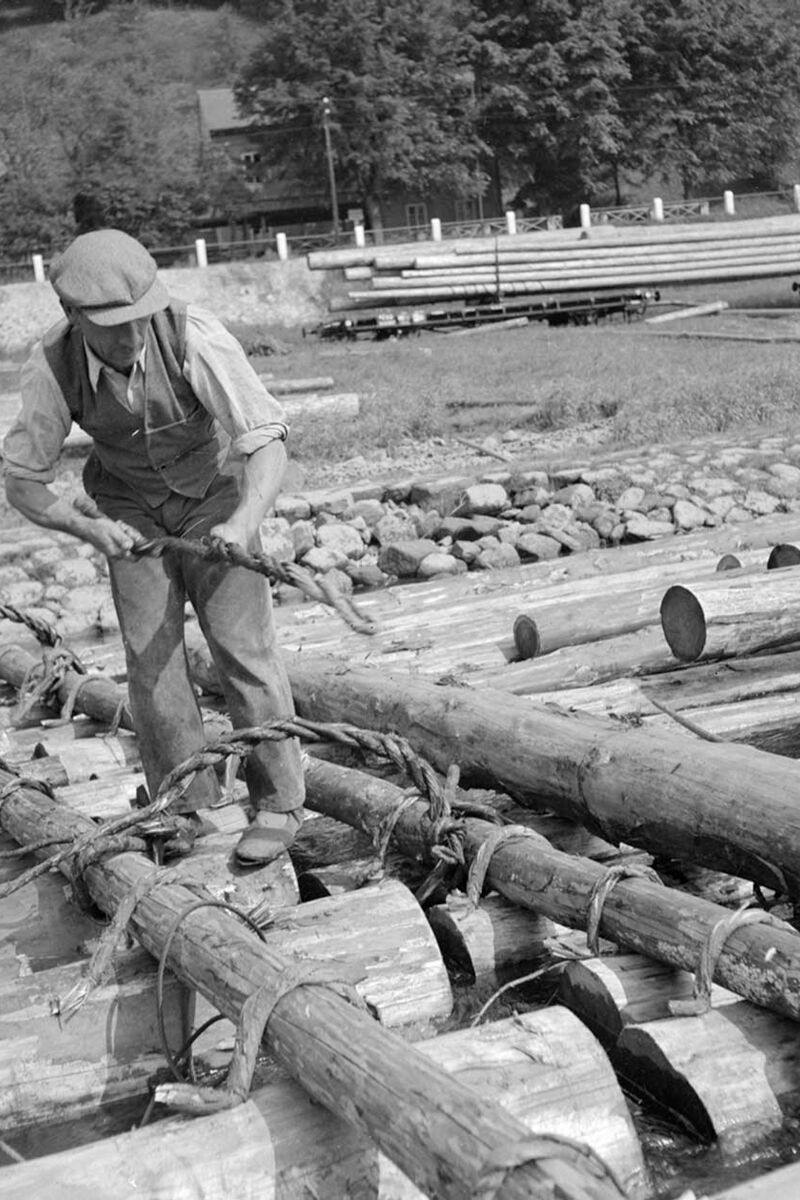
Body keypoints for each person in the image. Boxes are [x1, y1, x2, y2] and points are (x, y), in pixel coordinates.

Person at [2, 228, 305, 865]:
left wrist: (242, 524)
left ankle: (280, 801)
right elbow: (23, 481)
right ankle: (183, 804)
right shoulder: (52, 365)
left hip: (214, 501)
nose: (133, 335)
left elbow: (266, 437)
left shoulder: (193, 334)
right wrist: (89, 528)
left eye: (140, 317)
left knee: (243, 649)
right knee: (151, 661)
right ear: (72, 314)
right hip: (128, 512)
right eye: (114, 327)